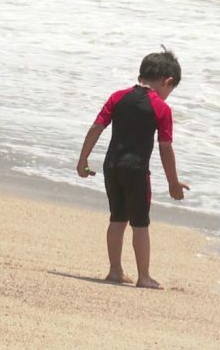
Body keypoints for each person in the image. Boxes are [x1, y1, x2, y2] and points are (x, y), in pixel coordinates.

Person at [76, 49, 190, 290]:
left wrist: (83, 158)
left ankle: (115, 270)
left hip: (112, 166)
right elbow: (165, 147)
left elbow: (97, 126)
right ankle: (144, 276)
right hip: (136, 171)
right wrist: (173, 182)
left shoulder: (118, 97)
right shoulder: (161, 108)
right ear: (167, 81)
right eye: (171, 89)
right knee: (140, 224)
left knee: (117, 219)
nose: (168, 95)